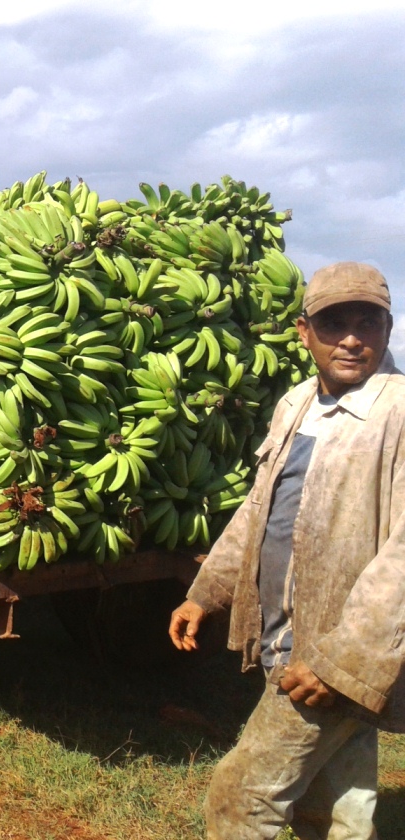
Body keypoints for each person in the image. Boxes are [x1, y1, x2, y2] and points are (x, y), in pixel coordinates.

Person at [168, 261, 405, 839]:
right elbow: (259, 510)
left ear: (388, 329)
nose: (351, 339)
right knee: (336, 811)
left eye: (367, 324)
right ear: (304, 332)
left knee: (241, 796)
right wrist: (208, 592)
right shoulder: (297, 404)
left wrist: (340, 664)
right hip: (286, 635)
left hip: (330, 651)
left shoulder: (397, 413)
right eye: (334, 324)